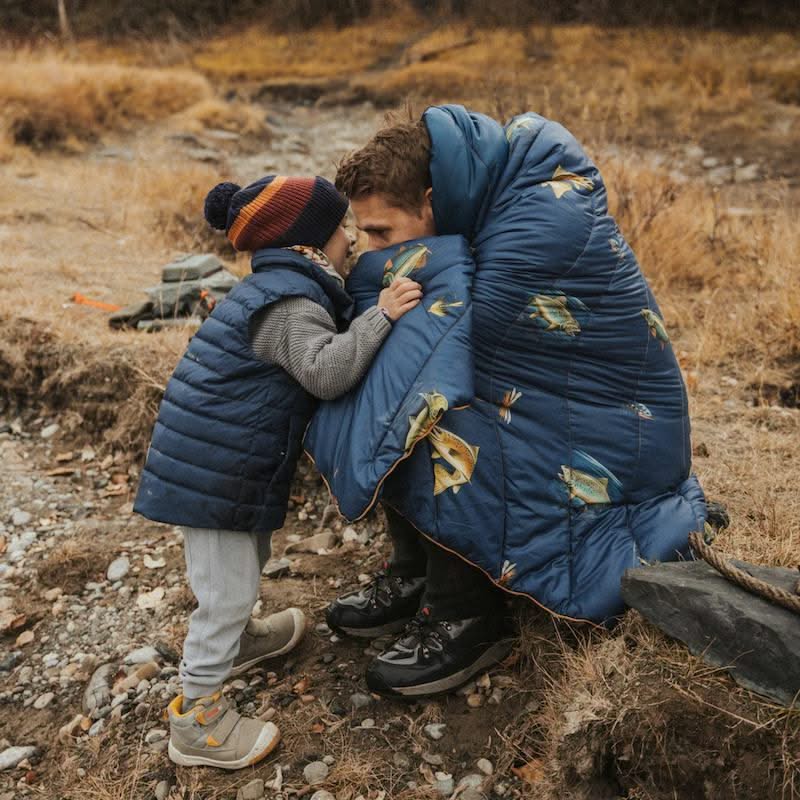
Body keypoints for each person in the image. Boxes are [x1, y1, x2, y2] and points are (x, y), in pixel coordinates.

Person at [321, 107, 706, 699]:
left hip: (615, 441)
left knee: (433, 423)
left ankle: (467, 616)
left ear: (432, 201)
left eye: (382, 234)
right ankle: (414, 573)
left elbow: (468, 339)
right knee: (391, 398)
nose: (373, 250)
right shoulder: (496, 194)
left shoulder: (540, 222)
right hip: (558, 407)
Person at [133, 174, 422, 769]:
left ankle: (239, 641)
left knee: (246, 562)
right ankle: (196, 721)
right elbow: (325, 372)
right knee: (225, 590)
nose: (351, 238)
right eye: (339, 229)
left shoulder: (279, 286)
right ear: (307, 246)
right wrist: (382, 316)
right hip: (213, 473)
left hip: (224, 464)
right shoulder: (288, 303)